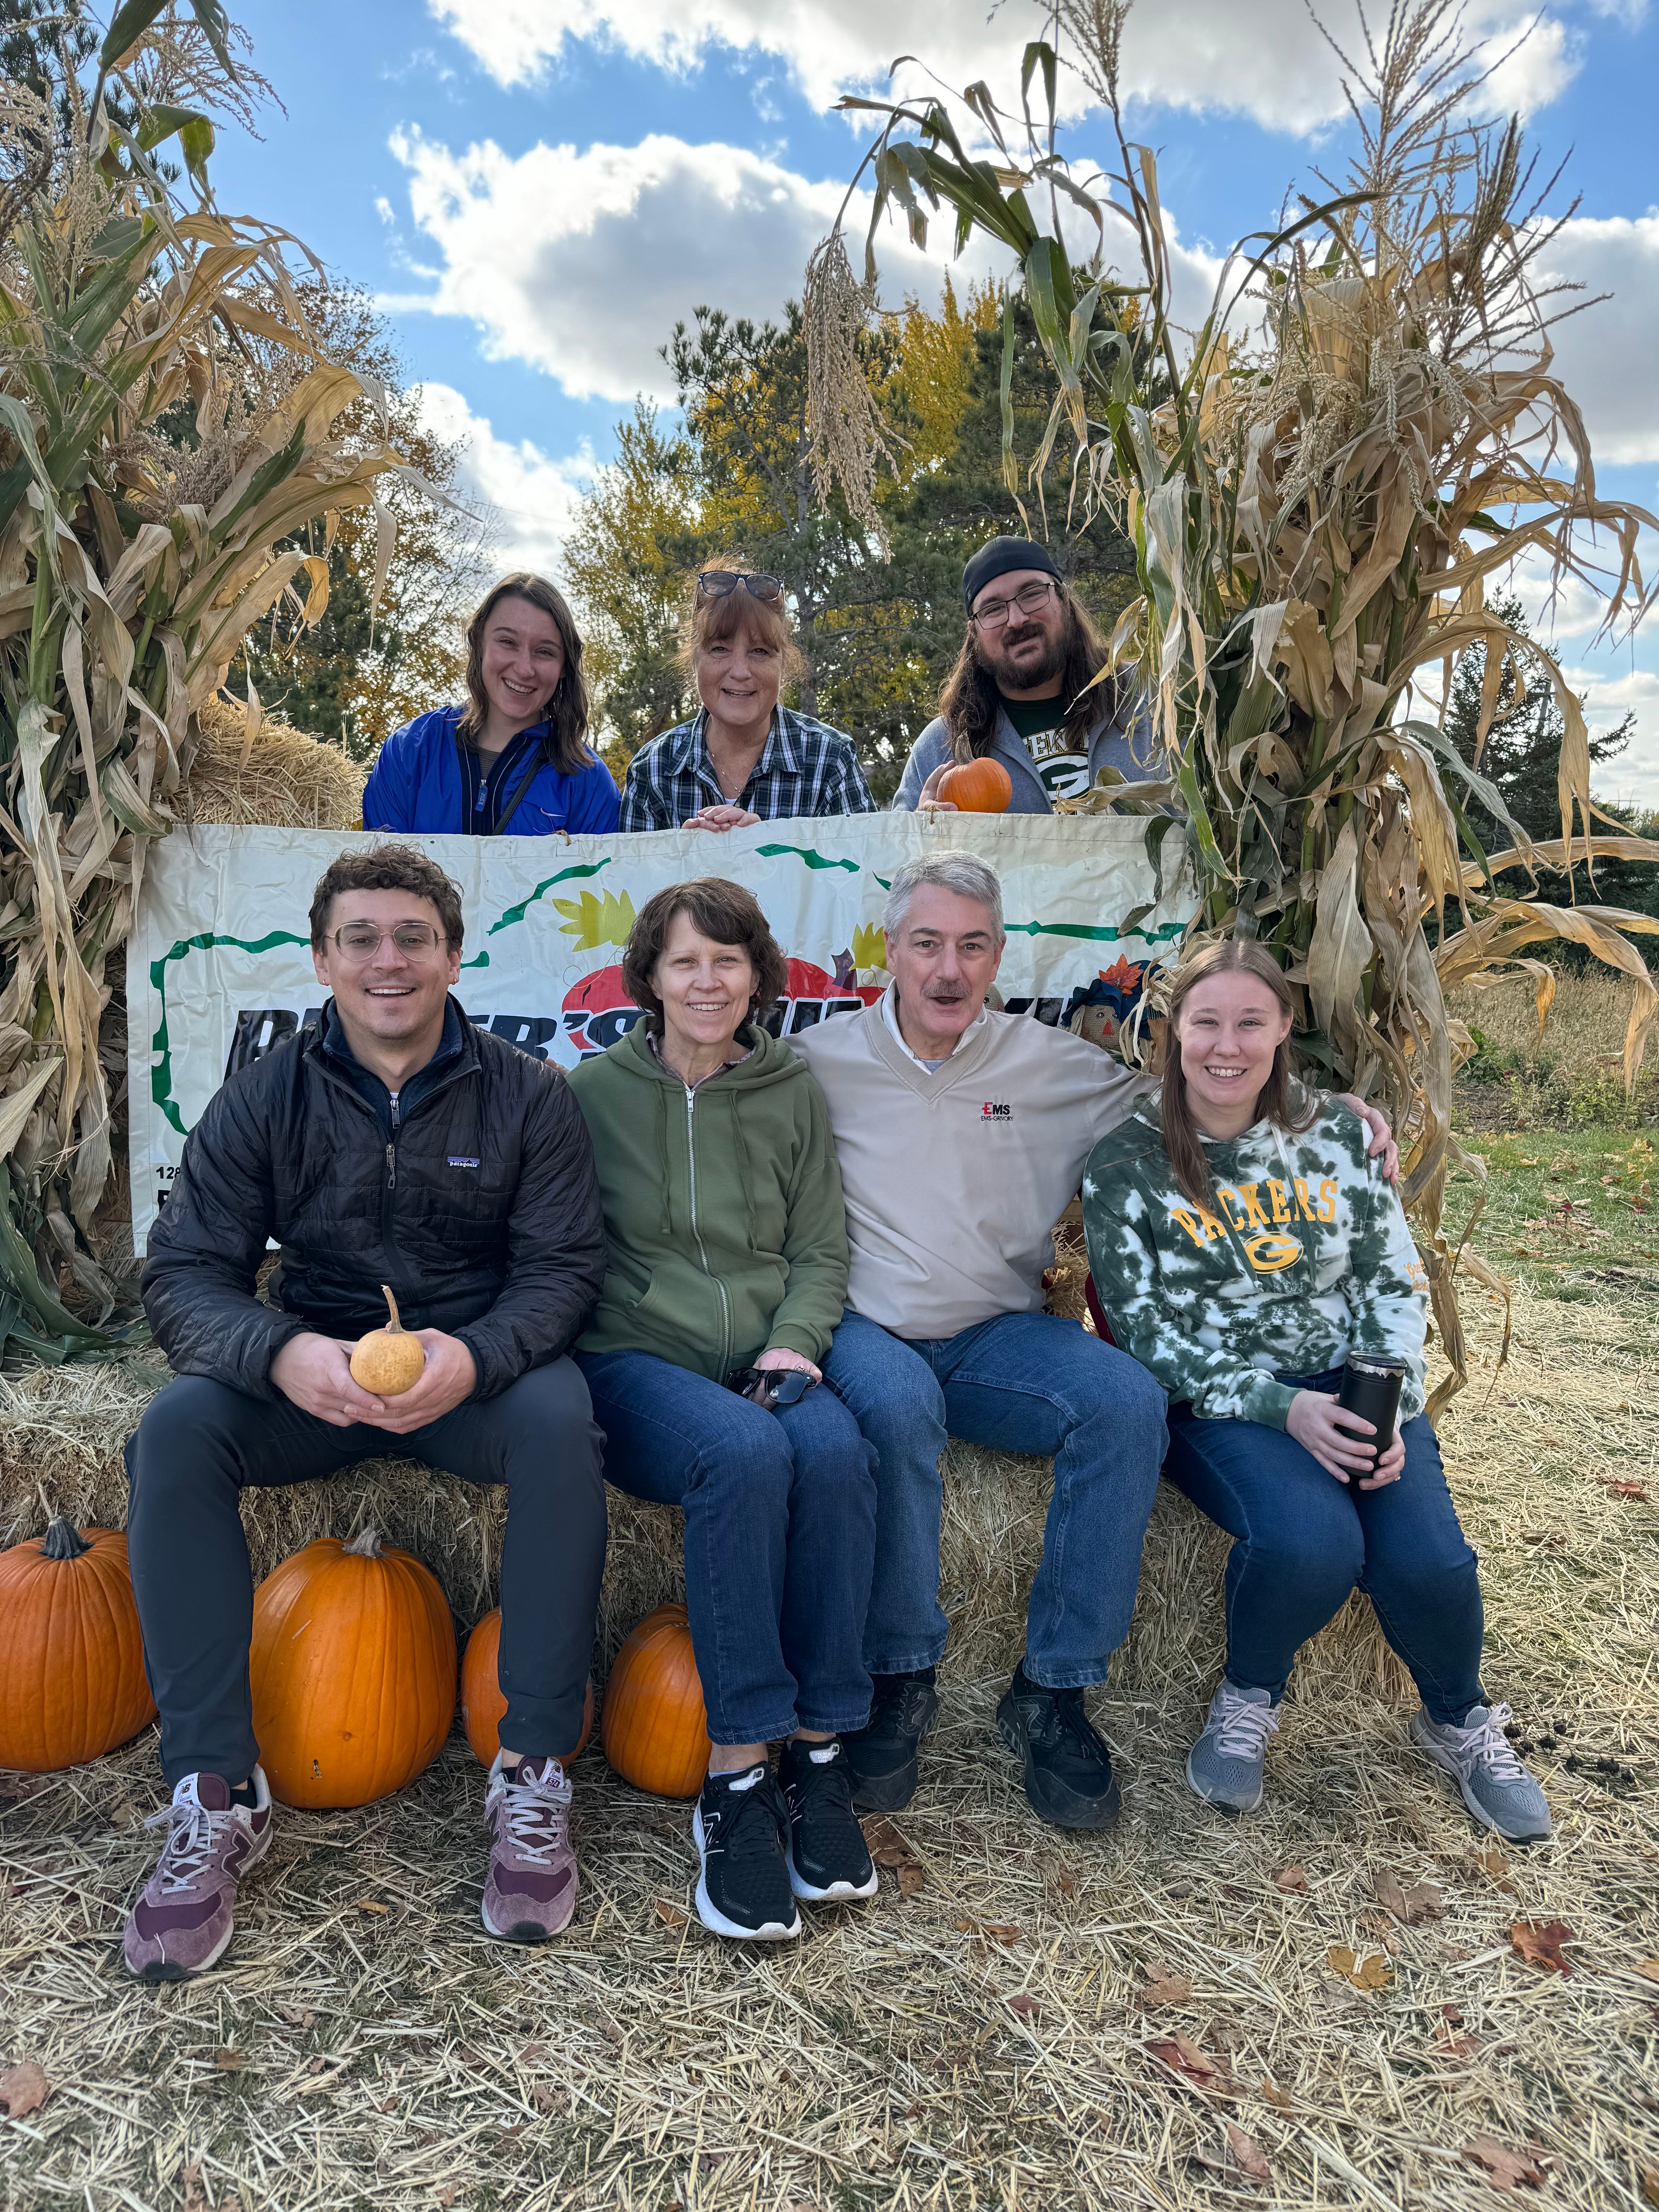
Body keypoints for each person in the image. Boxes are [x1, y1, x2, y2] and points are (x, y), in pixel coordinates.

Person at [791, 852, 1398, 1831]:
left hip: (997, 1334)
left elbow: (1205, 1097)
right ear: (890, 951)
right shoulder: (818, 1061)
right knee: (896, 1410)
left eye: (973, 946)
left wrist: (1323, 1109)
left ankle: (1054, 1689)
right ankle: (900, 1675)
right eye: (928, 945)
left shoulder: (1054, 1067)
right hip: (867, 1329)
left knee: (1123, 1401)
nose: (949, 970)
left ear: (999, 957)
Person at [122, 845, 609, 1982]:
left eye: (410, 936)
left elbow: (562, 1271)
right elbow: (183, 1269)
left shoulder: (529, 1092)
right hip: (320, 1371)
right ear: (323, 956)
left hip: (466, 1376)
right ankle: (211, 1786)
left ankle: (532, 1770)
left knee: (561, 1419)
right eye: (361, 938)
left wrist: (477, 1353)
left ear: (451, 952)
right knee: (176, 1430)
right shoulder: (266, 1095)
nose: (387, 960)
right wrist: (279, 1351)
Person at [1081, 939, 1550, 1843]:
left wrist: (1390, 1402)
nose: (1228, 1044)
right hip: (1227, 1402)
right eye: (1205, 1022)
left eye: (1249, 1021)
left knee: (1430, 1562)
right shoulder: (1127, 1165)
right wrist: (1283, 1407)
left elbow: (1387, 1276)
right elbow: (1144, 1334)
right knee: (1312, 1544)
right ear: (1173, 1035)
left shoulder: (1336, 1135)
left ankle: (1458, 1718)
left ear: (1283, 1029)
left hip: (1356, 1381)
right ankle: (1250, 1695)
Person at [566, 878, 879, 1942]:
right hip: (635, 1359)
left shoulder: (788, 1089)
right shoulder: (589, 1094)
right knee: (745, 1455)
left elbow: (821, 1248)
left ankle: (823, 1758)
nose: (709, 980)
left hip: (763, 1349)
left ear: (759, 976)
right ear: (647, 977)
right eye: (686, 961)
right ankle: (737, 1778)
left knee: (835, 1454)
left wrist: (796, 1339)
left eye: (729, 959)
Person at [894, 536, 1154, 814]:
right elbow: (897, 854)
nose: (1017, 620)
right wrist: (922, 837)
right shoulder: (938, 748)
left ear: (1064, 599)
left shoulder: (1150, 698)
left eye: (1032, 594)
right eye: (993, 609)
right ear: (974, 633)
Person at [620, 562, 876, 831]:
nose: (740, 672)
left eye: (760, 651)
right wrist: (681, 858)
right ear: (694, 658)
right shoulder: (652, 770)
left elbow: (864, 869)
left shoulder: (830, 760)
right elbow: (635, 873)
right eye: (720, 649)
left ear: (783, 663)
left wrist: (771, 851)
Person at [364, 572, 620, 836]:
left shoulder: (588, 783)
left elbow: (601, 876)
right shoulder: (409, 752)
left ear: (564, 666)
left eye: (545, 652)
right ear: (479, 642)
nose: (524, 669)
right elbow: (381, 873)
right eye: (507, 642)